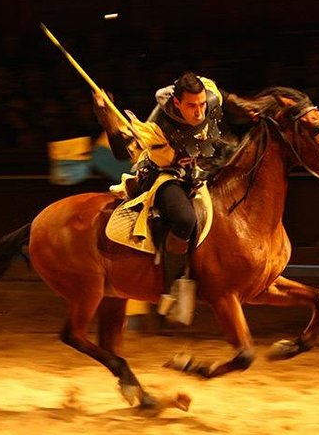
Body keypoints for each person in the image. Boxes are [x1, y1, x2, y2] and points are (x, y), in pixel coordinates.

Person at [93, 72, 257, 323]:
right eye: (192, 106)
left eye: (202, 103)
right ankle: (173, 291)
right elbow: (120, 152)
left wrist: (243, 105)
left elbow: (221, 94)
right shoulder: (156, 127)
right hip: (163, 175)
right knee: (184, 219)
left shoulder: (209, 94)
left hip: (201, 165)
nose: (200, 112)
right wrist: (107, 119)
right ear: (177, 103)